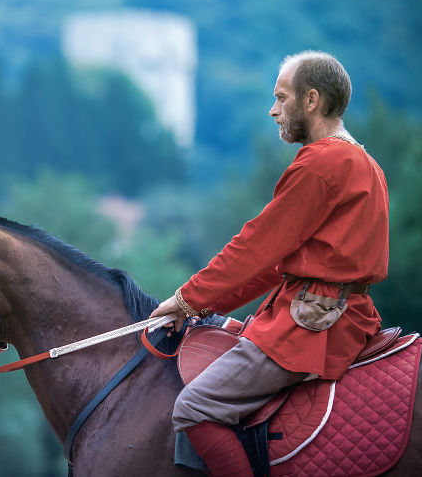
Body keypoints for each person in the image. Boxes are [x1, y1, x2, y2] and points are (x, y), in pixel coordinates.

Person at [150, 51, 388, 477]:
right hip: (336, 311)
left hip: (310, 325)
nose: (273, 110)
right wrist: (201, 305)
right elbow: (275, 262)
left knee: (194, 406)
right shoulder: (363, 161)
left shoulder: (322, 162)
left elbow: (256, 246)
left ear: (311, 99)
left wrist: (186, 298)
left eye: (281, 98)